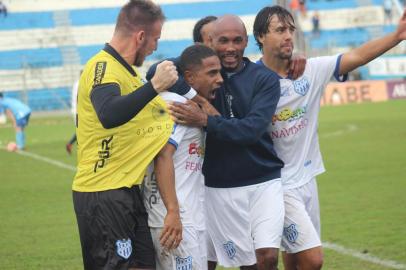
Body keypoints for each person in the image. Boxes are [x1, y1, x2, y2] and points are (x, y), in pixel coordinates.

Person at [253, 5, 406, 270]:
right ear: (260, 37)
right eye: (280, 30)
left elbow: (357, 56)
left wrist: (397, 35)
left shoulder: (310, 70)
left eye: (291, 29)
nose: (288, 35)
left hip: (308, 180)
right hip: (277, 185)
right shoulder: (251, 80)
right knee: (313, 260)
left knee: (294, 259)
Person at [72, 1, 182, 269]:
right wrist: (155, 86)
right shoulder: (103, 66)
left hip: (128, 192)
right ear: (141, 36)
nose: (156, 46)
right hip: (102, 192)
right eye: (155, 39)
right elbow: (109, 114)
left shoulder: (129, 74)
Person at [169, 15, 284, 270]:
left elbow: (252, 130)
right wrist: (197, 98)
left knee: (267, 257)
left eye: (237, 40)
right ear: (211, 42)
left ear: (246, 42)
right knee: (241, 263)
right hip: (219, 185)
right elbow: (157, 71)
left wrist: (206, 119)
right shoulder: (203, 72)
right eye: (223, 41)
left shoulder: (265, 79)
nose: (230, 47)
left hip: (264, 179)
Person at [143, 44, 223, 270]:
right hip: (174, 219)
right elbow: (163, 156)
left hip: (188, 216)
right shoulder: (175, 104)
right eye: (212, 73)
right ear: (189, 76)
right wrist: (173, 212)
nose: (220, 79)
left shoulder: (190, 105)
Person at [65, 71, 81, 155]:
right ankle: (70, 143)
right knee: (82, 130)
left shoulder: (76, 83)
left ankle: (70, 144)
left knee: (81, 129)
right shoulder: (81, 83)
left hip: (76, 109)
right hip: (79, 110)